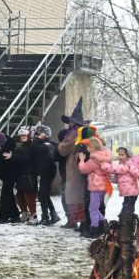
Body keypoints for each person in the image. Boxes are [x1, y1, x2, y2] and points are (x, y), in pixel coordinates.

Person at [56, 99, 90, 232]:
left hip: (74, 167)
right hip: (81, 165)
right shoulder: (84, 131)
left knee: (73, 195)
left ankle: (77, 221)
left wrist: (59, 145)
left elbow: (63, 150)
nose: (69, 123)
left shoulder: (73, 133)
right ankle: (81, 221)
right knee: (80, 194)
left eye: (70, 121)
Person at [78, 136, 113, 238]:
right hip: (103, 185)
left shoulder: (94, 159)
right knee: (95, 208)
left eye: (88, 147)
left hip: (95, 186)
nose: (87, 149)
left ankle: (94, 230)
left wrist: (81, 160)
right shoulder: (105, 154)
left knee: (92, 209)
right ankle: (103, 224)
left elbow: (84, 169)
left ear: (92, 147)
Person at [0, 132, 21, 224]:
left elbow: (15, 161)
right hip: (5, 175)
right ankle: (15, 215)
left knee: (5, 194)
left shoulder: (9, 148)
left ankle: (3, 217)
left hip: (11, 175)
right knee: (9, 195)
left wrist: (11, 157)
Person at [33, 125, 60, 225]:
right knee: (44, 195)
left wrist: (37, 139)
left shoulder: (46, 144)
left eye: (39, 133)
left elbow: (35, 147)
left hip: (47, 172)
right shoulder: (45, 144)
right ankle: (53, 214)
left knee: (42, 194)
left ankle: (46, 217)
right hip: (46, 172)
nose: (37, 135)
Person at [13, 127, 39, 223]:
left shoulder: (31, 146)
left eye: (25, 135)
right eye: (22, 135)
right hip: (21, 174)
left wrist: (13, 156)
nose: (23, 137)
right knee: (19, 195)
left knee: (29, 196)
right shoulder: (20, 146)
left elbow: (25, 159)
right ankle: (25, 213)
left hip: (29, 174)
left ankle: (33, 215)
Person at [109, 146, 139, 215]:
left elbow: (120, 169)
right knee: (127, 208)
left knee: (127, 209)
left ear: (128, 155)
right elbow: (118, 178)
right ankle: (127, 222)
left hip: (131, 192)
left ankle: (127, 222)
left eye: (122, 155)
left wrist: (109, 166)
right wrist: (113, 178)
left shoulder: (129, 164)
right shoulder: (121, 163)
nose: (120, 156)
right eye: (119, 155)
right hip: (127, 192)